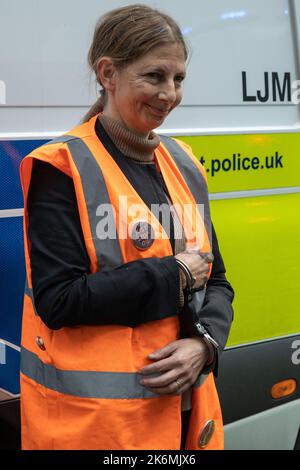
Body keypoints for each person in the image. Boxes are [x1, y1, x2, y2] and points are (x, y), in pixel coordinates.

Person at [19, 4, 234, 450]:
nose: (169, 94)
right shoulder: (61, 166)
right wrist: (171, 275)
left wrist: (205, 347)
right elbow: (58, 300)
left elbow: (216, 281)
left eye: (178, 79)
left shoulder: (185, 163)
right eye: (154, 76)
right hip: (101, 429)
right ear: (108, 73)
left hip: (186, 417)